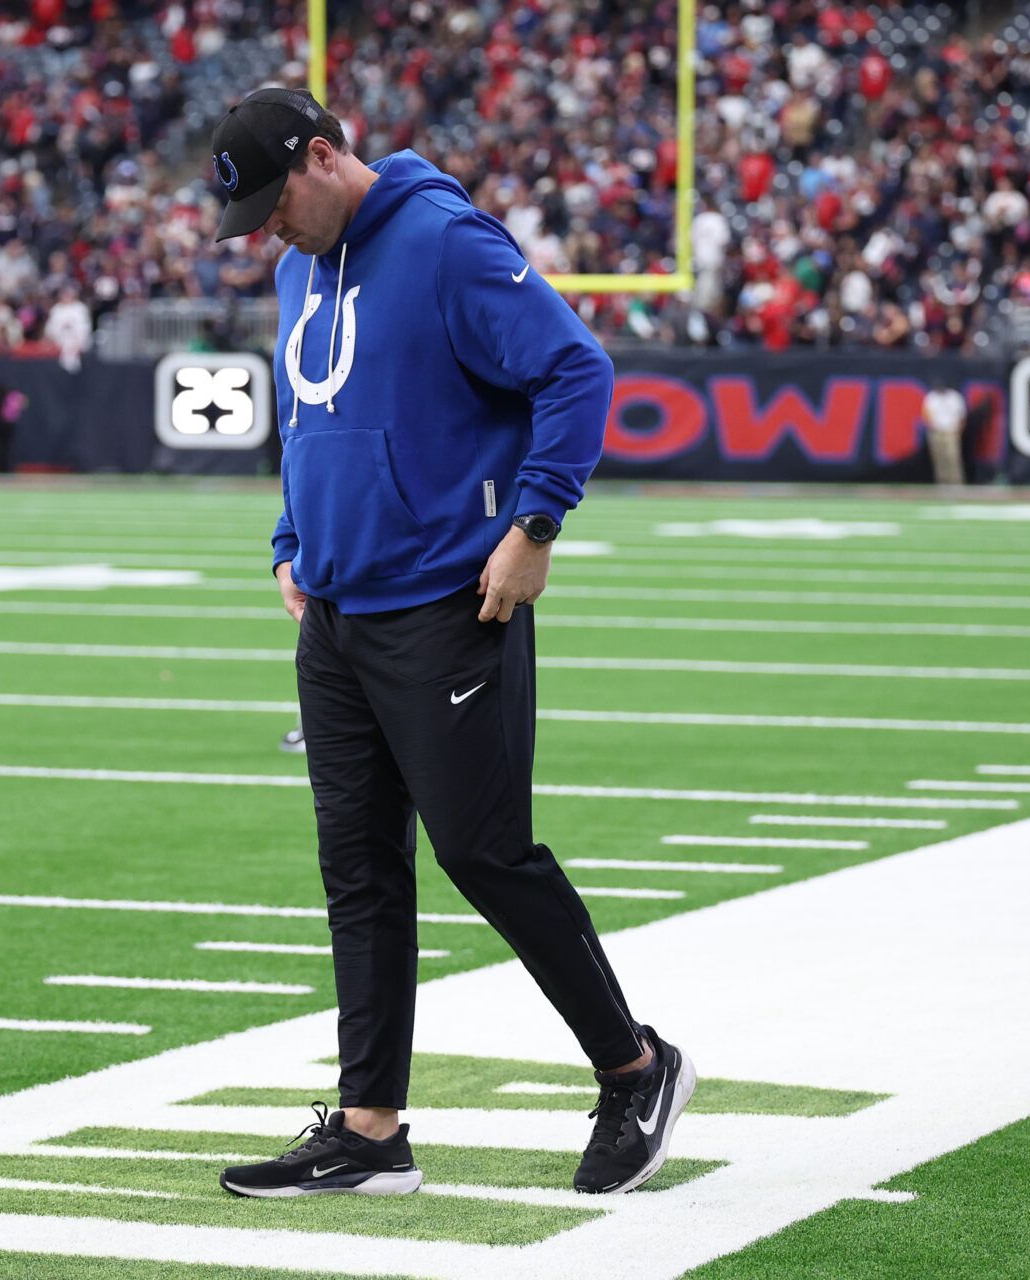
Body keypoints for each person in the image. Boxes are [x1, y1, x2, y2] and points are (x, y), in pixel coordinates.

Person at [206, 89, 694, 1201]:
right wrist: (291, 536)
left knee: (484, 850)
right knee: (359, 868)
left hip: (446, 600)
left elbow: (576, 369)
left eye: (276, 207)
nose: (268, 235)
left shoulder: (443, 241)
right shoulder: (298, 266)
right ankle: (372, 1128)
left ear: (323, 157)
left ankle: (636, 1065)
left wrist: (535, 526)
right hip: (333, 611)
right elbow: (310, 413)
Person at [922, 379, 968, 486]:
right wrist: (931, 427)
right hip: (936, 431)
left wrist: (958, 431)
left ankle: (956, 482)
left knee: (953, 457)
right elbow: (926, 415)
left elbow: (962, 416)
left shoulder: (954, 397)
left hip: (951, 432)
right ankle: (942, 482)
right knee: (939, 459)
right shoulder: (931, 397)